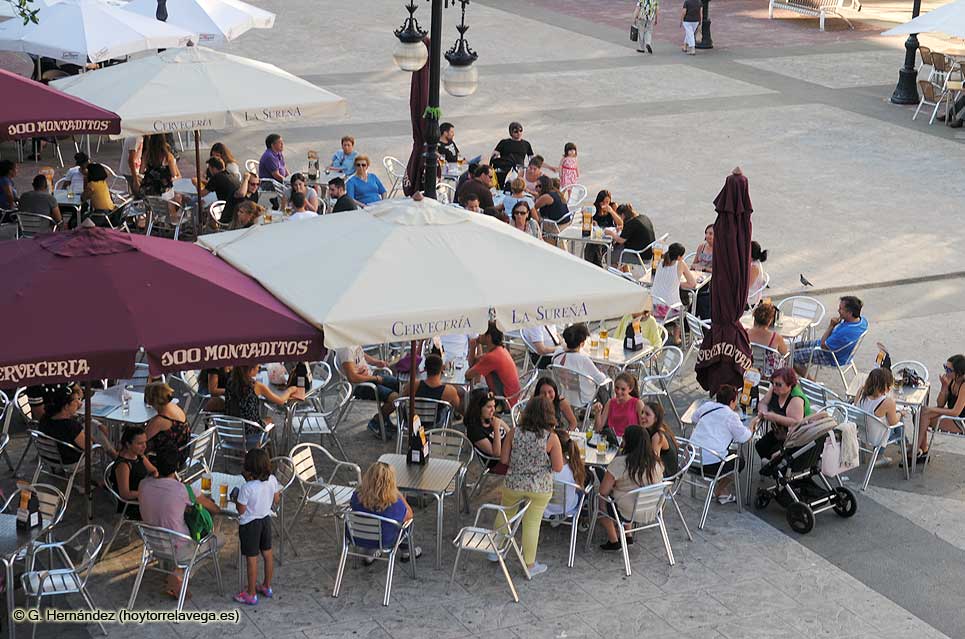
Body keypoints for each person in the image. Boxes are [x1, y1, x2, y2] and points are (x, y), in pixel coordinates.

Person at [138, 446, 220, 599]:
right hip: (177, 547)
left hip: (152, 543)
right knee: (218, 540)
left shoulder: (143, 485)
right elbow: (214, 509)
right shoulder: (183, 490)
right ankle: (178, 574)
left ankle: (176, 573)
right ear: (177, 468)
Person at [500, 396, 563, 577]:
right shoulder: (551, 438)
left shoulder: (514, 432)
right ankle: (529, 564)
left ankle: (495, 549)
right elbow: (558, 467)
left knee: (505, 513)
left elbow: (504, 460)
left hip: (514, 482)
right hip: (539, 487)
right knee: (532, 523)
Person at [598, 425, 663, 550]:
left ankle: (613, 540)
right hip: (651, 509)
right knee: (629, 493)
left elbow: (602, 491)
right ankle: (628, 535)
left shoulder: (620, 463)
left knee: (598, 499)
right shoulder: (656, 463)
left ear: (628, 441)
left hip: (626, 511)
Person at [688, 385, 755, 503]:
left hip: (691, 460)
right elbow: (745, 438)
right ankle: (719, 490)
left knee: (723, 452)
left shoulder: (707, 406)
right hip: (709, 466)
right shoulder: (731, 416)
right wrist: (752, 426)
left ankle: (722, 491)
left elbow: (694, 418)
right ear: (732, 401)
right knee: (739, 461)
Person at [232, 449, 281, 605]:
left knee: (251, 559)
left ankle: (251, 593)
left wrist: (235, 498)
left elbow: (241, 510)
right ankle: (267, 585)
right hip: (265, 520)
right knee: (267, 554)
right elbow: (277, 499)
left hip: (249, 525)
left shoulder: (247, 488)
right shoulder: (272, 480)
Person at [350, 462, 421, 563]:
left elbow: (352, 506)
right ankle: (406, 551)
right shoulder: (394, 504)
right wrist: (398, 494)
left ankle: (370, 552)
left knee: (370, 520)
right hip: (385, 540)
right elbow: (409, 515)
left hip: (357, 537)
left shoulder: (356, 497)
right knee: (406, 523)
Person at [225, 366, 303, 445]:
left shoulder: (230, 382)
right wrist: (290, 390)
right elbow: (281, 400)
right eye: (256, 366)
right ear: (250, 370)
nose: (258, 367)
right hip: (251, 435)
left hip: (230, 433)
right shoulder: (256, 386)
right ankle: (267, 453)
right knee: (270, 420)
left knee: (261, 420)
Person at [40, 383, 116, 462]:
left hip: (49, 459)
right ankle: (115, 456)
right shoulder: (71, 426)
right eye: (76, 401)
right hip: (71, 462)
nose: (80, 404)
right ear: (66, 406)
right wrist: (92, 436)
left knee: (92, 426)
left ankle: (114, 454)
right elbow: (89, 446)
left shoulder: (44, 419)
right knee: (93, 429)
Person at [336, 344, 400, 437]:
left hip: (370, 377)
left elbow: (361, 354)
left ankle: (384, 419)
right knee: (396, 398)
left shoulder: (351, 340)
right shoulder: (345, 349)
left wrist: (376, 362)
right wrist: (375, 378)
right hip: (360, 386)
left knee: (402, 387)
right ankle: (377, 421)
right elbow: (353, 378)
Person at [793, 296, 868, 373]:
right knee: (793, 346)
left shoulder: (845, 332)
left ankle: (810, 383)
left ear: (850, 313)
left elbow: (823, 345)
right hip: (843, 352)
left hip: (830, 355)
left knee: (792, 357)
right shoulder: (863, 321)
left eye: (841, 309)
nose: (838, 310)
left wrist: (831, 326)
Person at [756, 367, 811, 461]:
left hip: (795, 439)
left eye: (778, 384)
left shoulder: (796, 399)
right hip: (779, 433)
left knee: (774, 455)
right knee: (760, 446)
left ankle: (776, 471)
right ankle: (771, 469)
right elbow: (763, 403)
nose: (774, 386)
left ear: (790, 385)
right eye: (772, 382)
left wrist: (774, 417)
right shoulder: (775, 390)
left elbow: (796, 422)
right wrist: (763, 412)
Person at [852, 367, 905, 462]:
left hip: (862, 433)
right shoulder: (888, 402)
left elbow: (856, 406)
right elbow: (893, 422)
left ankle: (905, 445)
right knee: (899, 421)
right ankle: (881, 455)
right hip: (877, 438)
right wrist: (900, 414)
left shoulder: (861, 391)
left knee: (887, 417)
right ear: (886, 385)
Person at [919, 354, 965, 461]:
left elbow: (955, 412)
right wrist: (944, 386)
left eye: (949, 369)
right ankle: (921, 449)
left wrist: (930, 409)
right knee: (920, 414)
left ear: (958, 372)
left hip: (961, 422)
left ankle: (919, 450)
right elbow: (940, 403)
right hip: (952, 417)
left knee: (923, 417)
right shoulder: (952, 380)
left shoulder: (963, 385)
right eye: (945, 367)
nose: (946, 371)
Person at [551, 323, 609, 407]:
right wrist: (603, 372)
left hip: (563, 393)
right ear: (582, 344)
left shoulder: (557, 353)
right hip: (582, 398)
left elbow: (563, 348)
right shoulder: (583, 360)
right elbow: (601, 379)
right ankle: (606, 413)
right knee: (605, 384)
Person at [466, 321, 521, 404]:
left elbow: (468, 375)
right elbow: (472, 363)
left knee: (468, 398)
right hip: (512, 398)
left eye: (481, 333)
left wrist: (474, 346)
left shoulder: (492, 357)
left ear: (488, 337)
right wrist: (473, 346)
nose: (478, 335)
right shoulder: (500, 350)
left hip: (504, 402)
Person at [651, 243, 697, 340]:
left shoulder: (660, 261)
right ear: (679, 257)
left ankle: (669, 332)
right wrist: (679, 284)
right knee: (684, 306)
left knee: (675, 301)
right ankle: (677, 337)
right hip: (667, 309)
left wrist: (676, 283)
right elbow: (692, 284)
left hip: (652, 305)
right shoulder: (680, 264)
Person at [111, 426, 158, 520]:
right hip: (132, 504)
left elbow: (154, 470)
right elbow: (125, 494)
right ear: (128, 444)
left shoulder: (139, 456)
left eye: (145, 442)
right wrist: (145, 492)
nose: (144, 446)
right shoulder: (123, 465)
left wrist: (153, 481)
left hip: (144, 495)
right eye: (140, 443)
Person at [544, 428, 587, 517]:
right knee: (584, 489)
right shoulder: (573, 467)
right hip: (566, 508)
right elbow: (580, 487)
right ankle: (584, 517)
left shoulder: (542, 467)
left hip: (546, 507)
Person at [145, 382, 192, 461]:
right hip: (182, 453)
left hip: (168, 462)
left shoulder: (160, 421)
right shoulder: (175, 406)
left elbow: (142, 438)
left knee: (133, 448)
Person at [463, 388, 507, 463]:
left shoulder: (492, 418)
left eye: (494, 406)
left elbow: (510, 434)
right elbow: (496, 453)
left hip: (510, 453)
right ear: (478, 408)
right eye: (489, 407)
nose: (493, 410)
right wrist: (496, 429)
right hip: (498, 463)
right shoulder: (475, 430)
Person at [594, 372, 644, 438]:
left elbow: (643, 429)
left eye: (623, 389)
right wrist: (598, 413)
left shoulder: (638, 404)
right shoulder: (610, 402)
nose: (619, 391)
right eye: (617, 388)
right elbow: (598, 429)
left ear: (630, 389)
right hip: (613, 440)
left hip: (630, 441)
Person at [747, 302, 788, 377]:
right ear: (770, 321)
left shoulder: (745, 333)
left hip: (748, 370)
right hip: (767, 375)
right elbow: (784, 353)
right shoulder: (776, 337)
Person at [642, 401, 679, 477]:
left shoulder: (657, 437)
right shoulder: (660, 427)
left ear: (655, 418)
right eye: (642, 412)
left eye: (647, 414)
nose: (642, 416)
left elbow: (652, 464)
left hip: (665, 475)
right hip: (666, 470)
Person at [747, 241, 769, 307]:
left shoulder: (754, 267)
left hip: (751, 299)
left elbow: (748, 286)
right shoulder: (753, 263)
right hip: (750, 294)